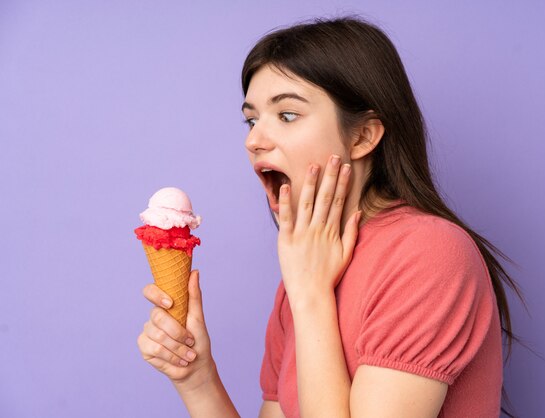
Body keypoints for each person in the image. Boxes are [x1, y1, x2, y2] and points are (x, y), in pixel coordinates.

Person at [137, 16, 522, 418]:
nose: (253, 140)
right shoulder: (307, 271)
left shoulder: (429, 253)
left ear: (362, 136)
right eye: (251, 120)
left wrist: (311, 297)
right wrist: (197, 379)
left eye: (286, 115)